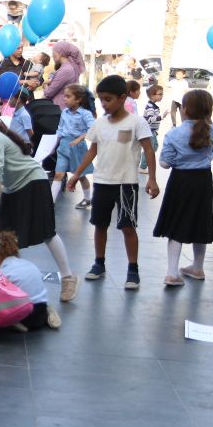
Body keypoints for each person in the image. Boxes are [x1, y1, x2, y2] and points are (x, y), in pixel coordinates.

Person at [0, 97, 78, 302]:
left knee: (46, 232)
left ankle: (68, 277)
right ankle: (0, 279)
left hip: (33, 182)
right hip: (12, 188)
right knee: (0, 236)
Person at [66, 76, 159, 290]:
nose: (104, 104)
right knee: (100, 225)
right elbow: (92, 151)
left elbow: (148, 149)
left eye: (108, 99)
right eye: (101, 100)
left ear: (122, 98)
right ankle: (99, 263)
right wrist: (77, 174)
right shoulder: (99, 124)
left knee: (128, 226)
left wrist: (152, 179)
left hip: (127, 184)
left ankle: (133, 269)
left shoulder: (136, 122)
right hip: (102, 182)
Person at [154, 89, 213, 286]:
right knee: (201, 221)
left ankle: (172, 273)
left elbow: (165, 163)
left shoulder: (174, 133)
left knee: (176, 223)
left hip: (181, 181)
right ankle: (197, 268)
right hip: (203, 181)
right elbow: (212, 140)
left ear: (185, 109)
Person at [0, 231, 61, 336]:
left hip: (24, 316)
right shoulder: (29, 264)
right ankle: (48, 312)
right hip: (41, 312)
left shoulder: (3, 272)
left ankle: (13, 322)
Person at [52, 84, 95, 208]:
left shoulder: (85, 114)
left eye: (68, 96)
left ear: (78, 99)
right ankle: (51, 201)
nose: (65, 99)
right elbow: (60, 129)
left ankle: (87, 198)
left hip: (77, 147)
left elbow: (93, 128)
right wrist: (53, 144)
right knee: (58, 174)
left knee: (80, 176)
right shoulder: (64, 112)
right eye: (64, 96)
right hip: (63, 146)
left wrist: (80, 138)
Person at [44, 41, 85, 109]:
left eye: (54, 52)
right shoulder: (68, 67)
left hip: (60, 107)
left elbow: (49, 92)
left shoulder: (66, 70)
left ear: (60, 54)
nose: (52, 55)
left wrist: (45, 85)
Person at [142, 84, 164, 173]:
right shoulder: (150, 107)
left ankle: (144, 160)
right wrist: (161, 117)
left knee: (154, 146)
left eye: (162, 94)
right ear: (152, 96)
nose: (162, 96)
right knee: (150, 149)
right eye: (160, 94)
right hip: (149, 131)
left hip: (152, 131)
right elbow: (149, 119)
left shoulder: (153, 106)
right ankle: (143, 166)